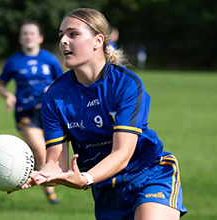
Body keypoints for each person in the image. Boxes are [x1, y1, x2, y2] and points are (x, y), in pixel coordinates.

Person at [15, 8, 188, 219]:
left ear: (98, 40)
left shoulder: (126, 85)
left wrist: (86, 178)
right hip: (106, 188)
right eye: (61, 35)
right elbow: (56, 163)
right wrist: (39, 176)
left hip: (149, 174)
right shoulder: (54, 96)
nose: (63, 42)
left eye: (73, 34)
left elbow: (122, 153)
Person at [0, 20, 63, 204]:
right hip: (24, 112)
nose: (28, 36)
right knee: (41, 150)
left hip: (48, 113)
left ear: (40, 38)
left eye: (32, 33)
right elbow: (0, 85)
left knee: (49, 151)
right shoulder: (13, 62)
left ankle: (24, 168)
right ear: (20, 38)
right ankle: (51, 194)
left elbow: (64, 82)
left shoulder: (49, 59)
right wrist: (8, 96)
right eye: (24, 33)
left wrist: (52, 88)